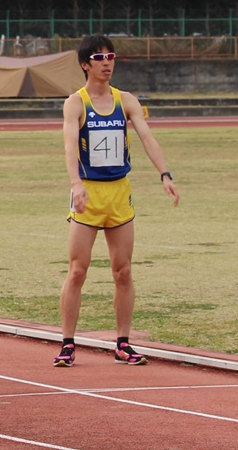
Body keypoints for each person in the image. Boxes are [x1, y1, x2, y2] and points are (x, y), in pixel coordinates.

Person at [54, 34, 179, 368]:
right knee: (77, 270)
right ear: (85, 64)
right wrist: (75, 184)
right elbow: (68, 146)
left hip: (119, 193)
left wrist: (165, 174)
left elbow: (147, 137)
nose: (107, 62)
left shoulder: (126, 101)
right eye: (99, 57)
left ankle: (123, 343)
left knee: (122, 271)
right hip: (88, 195)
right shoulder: (76, 103)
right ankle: (67, 343)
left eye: (111, 56)